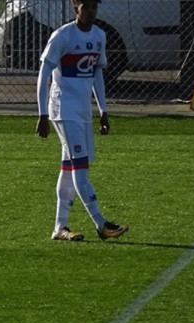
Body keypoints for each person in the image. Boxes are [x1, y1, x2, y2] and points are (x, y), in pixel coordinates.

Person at [36, 0, 128, 242]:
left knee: (69, 168)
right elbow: (44, 71)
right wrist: (42, 114)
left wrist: (103, 110)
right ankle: (101, 224)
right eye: (86, 6)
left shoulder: (99, 36)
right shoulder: (62, 36)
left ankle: (60, 228)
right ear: (75, 7)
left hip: (82, 112)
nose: (91, 11)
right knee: (81, 168)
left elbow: (97, 73)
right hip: (63, 109)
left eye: (94, 7)